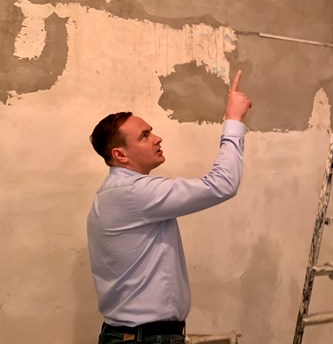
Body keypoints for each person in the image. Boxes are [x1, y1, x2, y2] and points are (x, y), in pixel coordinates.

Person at [87, 71, 252, 344]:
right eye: (144, 136)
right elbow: (223, 184)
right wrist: (233, 119)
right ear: (120, 154)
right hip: (145, 338)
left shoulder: (116, 193)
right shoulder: (134, 193)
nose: (157, 138)